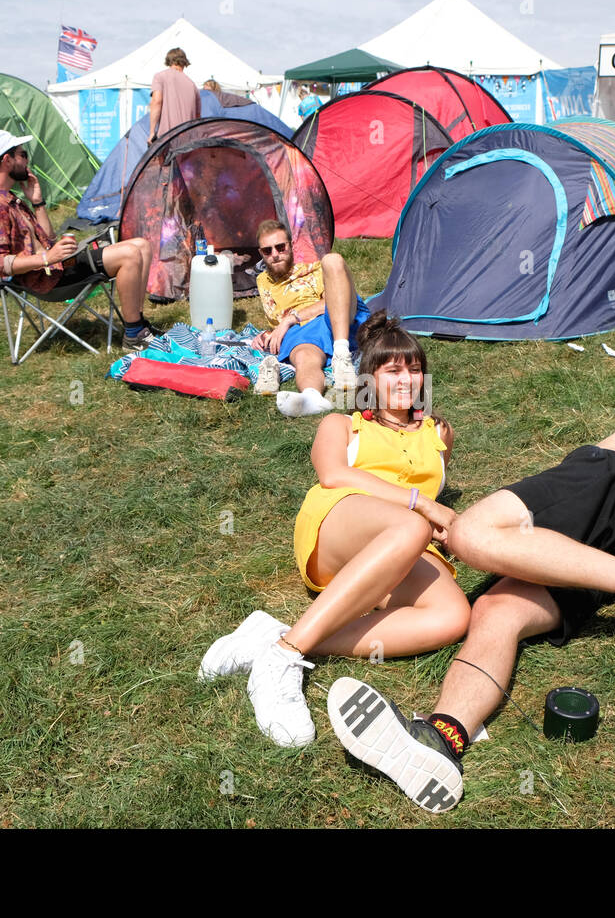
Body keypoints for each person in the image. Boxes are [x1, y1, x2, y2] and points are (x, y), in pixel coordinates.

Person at [326, 177, 615, 813]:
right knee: (497, 616)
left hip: (607, 488)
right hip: (598, 552)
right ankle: (442, 738)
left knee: (470, 535)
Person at [200, 312, 469, 747]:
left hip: (408, 544)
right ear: (368, 379)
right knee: (408, 528)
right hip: (338, 525)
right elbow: (333, 476)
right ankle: (283, 662)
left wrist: (438, 525)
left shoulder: (439, 433)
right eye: (393, 369)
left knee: (453, 617)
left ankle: (282, 639)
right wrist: (425, 508)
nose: (408, 379)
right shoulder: (343, 424)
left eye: (415, 369)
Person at [0, 130, 159, 350]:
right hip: (49, 279)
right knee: (130, 255)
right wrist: (47, 258)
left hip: (57, 266)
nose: (27, 160)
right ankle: (134, 335)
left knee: (142, 246)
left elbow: (48, 237)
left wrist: (37, 203)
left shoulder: (10, 197)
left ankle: (140, 326)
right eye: (23, 155)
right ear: (7, 159)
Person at [249, 219, 367, 417]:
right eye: (267, 251)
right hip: (305, 332)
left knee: (332, 260)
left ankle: (341, 353)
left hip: (342, 317)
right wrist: (267, 334)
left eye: (280, 247)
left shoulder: (314, 269)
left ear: (290, 246)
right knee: (304, 358)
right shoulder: (263, 281)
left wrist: (290, 318)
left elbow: (333, 302)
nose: (275, 255)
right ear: (261, 253)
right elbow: (276, 318)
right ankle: (312, 398)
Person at [147, 48, 201, 144]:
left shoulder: (160, 77)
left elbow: (157, 101)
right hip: (188, 141)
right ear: (184, 63)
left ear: (169, 61)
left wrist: (152, 132)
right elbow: (197, 117)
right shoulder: (192, 85)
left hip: (167, 138)